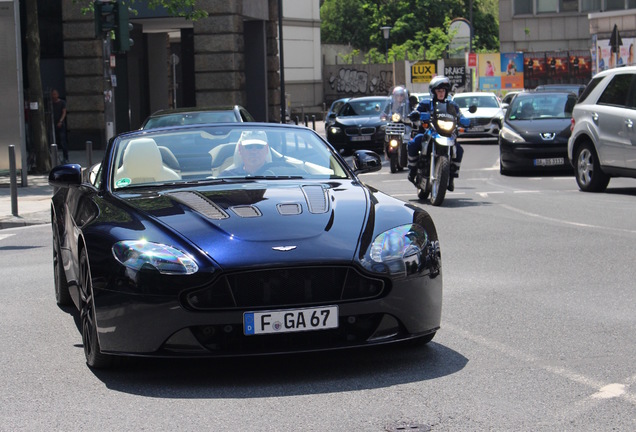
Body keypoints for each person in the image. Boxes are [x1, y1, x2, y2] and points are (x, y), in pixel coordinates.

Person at [407, 76, 468, 192]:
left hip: (447, 133)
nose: (441, 93)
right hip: (429, 132)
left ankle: (451, 178)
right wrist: (415, 114)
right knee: (414, 142)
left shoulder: (452, 105)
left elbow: (459, 115)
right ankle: (413, 170)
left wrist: (465, 120)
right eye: (439, 91)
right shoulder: (426, 103)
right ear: (433, 92)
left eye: (443, 91)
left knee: (459, 149)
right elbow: (416, 113)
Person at [51, 89, 69, 163]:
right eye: (53, 94)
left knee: (63, 141)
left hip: (60, 124)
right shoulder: (51, 103)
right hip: (53, 124)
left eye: (55, 94)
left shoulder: (62, 103)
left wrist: (60, 121)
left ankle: (66, 157)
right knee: (53, 142)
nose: (54, 96)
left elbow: (64, 112)